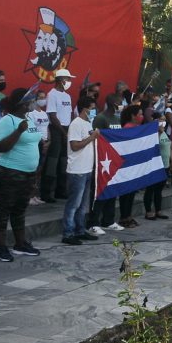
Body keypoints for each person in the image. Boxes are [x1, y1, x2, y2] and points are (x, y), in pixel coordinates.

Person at [0, 88, 44, 262]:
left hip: (28, 173)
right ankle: (0, 248)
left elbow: (34, 141)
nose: (32, 103)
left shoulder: (29, 118)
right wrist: (18, 131)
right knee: (4, 209)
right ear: (22, 103)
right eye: (30, 100)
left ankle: (20, 244)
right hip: (10, 171)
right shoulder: (8, 120)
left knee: (20, 208)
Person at [63, 96, 101, 245]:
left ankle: (80, 230)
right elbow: (75, 146)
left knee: (83, 204)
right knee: (73, 204)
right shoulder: (76, 124)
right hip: (77, 169)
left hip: (87, 168)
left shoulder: (89, 123)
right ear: (85, 109)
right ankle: (68, 233)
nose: (94, 111)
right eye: (92, 109)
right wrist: (92, 138)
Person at [90, 93, 124, 231]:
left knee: (112, 190)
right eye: (119, 102)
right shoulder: (100, 118)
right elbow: (96, 137)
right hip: (102, 159)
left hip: (114, 158)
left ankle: (108, 220)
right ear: (112, 103)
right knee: (99, 191)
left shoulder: (117, 118)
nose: (122, 104)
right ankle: (93, 223)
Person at [41, 68, 75, 201]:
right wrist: (63, 132)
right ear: (61, 80)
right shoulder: (52, 94)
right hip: (56, 130)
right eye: (68, 79)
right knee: (52, 161)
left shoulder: (67, 96)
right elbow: (52, 116)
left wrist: (69, 130)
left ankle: (60, 190)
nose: (70, 81)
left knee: (63, 161)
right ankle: (46, 192)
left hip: (66, 130)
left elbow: (69, 114)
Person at [116, 104, 146, 228]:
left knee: (132, 192)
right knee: (126, 193)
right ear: (133, 116)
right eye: (139, 114)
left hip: (135, 165)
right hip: (127, 164)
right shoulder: (127, 128)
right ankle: (124, 217)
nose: (141, 116)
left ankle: (129, 216)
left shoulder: (138, 127)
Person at [144, 112, 171, 221]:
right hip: (154, 166)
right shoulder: (151, 133)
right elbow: (153, 146)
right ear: (155, 121)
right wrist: (159, 133)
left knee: (159, 190)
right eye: (161, 120)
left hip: (164, 165)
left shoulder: (164, 131)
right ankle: (148, 211)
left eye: (164, 120)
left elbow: (169, 146)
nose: (163, 122)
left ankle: (158, 210)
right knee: (150, 189)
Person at [27, 91, 50, 205]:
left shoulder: (45, 114)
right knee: (34, 171)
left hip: (45, 143)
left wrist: (48, 141)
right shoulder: (31, 114)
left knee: (39, 171)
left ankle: (36, 195)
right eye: (40, 97)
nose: (43, 99)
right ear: (35, 100)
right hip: (37, 143)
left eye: (44, 97)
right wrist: (41, 141)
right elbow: (33, 128)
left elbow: (47, 128)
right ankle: (29, 196)